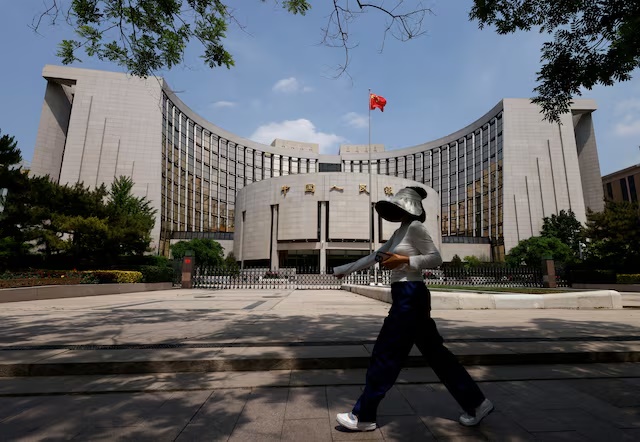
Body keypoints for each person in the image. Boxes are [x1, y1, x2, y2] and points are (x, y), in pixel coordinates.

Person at [333, 186, 493, 431]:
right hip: (406, 296)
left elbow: (435, 258)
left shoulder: (415, 228)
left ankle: (363, 415)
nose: (394, 211)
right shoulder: (400, 232)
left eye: (397, 206)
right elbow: (375, 256)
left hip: (410, 295)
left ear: (408, 207)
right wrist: (343, 270)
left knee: (386, 353)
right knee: (436, 355)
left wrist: (406, 260)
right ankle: (477, 403)